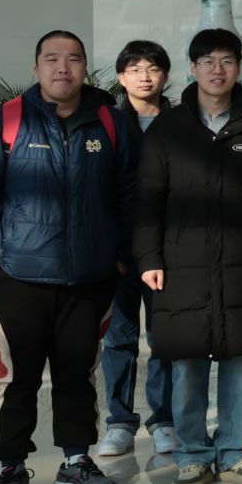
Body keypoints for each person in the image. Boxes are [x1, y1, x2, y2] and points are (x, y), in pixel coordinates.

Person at [0, 30, 137, 484]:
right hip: (16, 277)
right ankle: (11, 468)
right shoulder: (8, 120)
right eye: (52, 58)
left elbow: (130, 193)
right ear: (36, 68)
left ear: (85, 67)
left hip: (90, 278)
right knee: (15, 377)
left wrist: (120, 253)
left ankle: (75, 462)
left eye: (73, 58)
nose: (63, 67)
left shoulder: (110, 122)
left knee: (77, 374)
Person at [135, 27, 242, 484]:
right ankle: (191, 455)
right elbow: (147, 199)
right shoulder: (168, 129)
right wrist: (149, 257)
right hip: (179, 264)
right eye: (208, 61)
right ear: (192, 68)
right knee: (187, 361)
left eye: (226, 60)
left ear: (237, 68)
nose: (217, 69)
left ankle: (237, 451)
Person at [96, 38, 175, 458]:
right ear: (121, 77)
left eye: (152, 68)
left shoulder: (180, 124)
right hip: (120, 255)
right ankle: (120, 423)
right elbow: (97, 191)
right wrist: (110, 249)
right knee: (119, 340)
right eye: (135, 69)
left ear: (165, 76)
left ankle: (164, 420)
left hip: (168, 252)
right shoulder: (107, 123)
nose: (144, 77)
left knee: (165, 339)